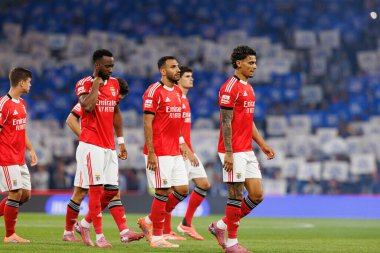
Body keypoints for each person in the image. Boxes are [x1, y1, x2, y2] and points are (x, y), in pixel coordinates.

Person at [208, 45, 275, 253]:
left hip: (246, 149)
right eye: (250, 62)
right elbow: (225, 122)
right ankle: (231, 244)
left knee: (256, 195)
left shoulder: (249, 87)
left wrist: (262, 144)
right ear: (239, 63)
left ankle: (219, 226)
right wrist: (228, 152)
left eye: (255, 62)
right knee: (235, 195)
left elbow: (248, 120)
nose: (254, 66)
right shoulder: (230, 88)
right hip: (232, 150)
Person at [62, 78, 143, 244]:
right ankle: (69, 231)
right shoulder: (93, 98)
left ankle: (122, 230)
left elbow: (116, 117)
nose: (118, 99)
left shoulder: (111, 102)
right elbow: (71, 120)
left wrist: (120, 142)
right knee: (81, 192)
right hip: (90, 149)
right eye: (118, 96)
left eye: (120, 97)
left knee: (112, 191)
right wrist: (86, 138)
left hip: (105, 148)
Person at [73, 49, 126, 248]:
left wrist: (120, 141)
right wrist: (96, 84)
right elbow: (87, 106)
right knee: (95, 190)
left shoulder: (114, 84)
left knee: (111, 190)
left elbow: (116, 112)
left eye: (112, 65)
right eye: (107, 66)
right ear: (97, 66)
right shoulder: (84, 83)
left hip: (109, 146)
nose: (111, 69)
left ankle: (85, 223)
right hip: (90, 145)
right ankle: (100, 236)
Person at [137, 56, 189, 248]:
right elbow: (147, 123)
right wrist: (151, 152)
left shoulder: (176, 91)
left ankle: (149, 221)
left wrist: (182, 142)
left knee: (183, 190)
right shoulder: (153, 91)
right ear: (163, 71)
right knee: (162, 191)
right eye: (173, 67)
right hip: (159, 151)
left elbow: (176, 122)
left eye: (178, 66)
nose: (178, 70)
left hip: (174, 150)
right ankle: (157, 237)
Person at [162, 66, 211, 241]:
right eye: (187, 76)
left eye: (192, 76)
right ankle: (162, 227)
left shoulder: (184, 99)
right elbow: (172, 128)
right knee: (173, 191)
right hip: (178, 151)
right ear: (179, 79)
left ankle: (186, 224)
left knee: (204, 184)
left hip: (188, 149)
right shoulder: (174, 98)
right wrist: (186, 150)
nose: (192, 79)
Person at [0, 67, 38, 243]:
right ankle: (10, 235)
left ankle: (9, 229)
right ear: (21, 82)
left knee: (25, 195)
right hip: (6, 158)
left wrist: (30, 149)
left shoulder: (22, 103)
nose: (30, 84)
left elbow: (21, 130)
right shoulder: (3, 105)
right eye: (29, 81)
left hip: (19, 158)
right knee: (15, 193)